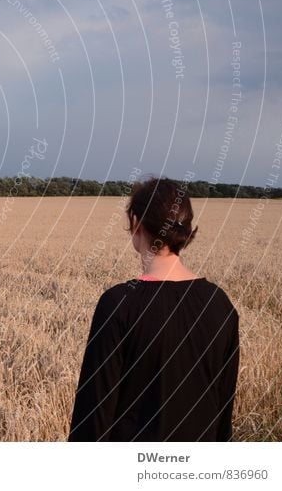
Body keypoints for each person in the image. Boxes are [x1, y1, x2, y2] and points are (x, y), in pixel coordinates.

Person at [68, 177, 239, 441]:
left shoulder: (118, 304)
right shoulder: (221, 304)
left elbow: (93, 417)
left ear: (136, 223)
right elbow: (223, 410)